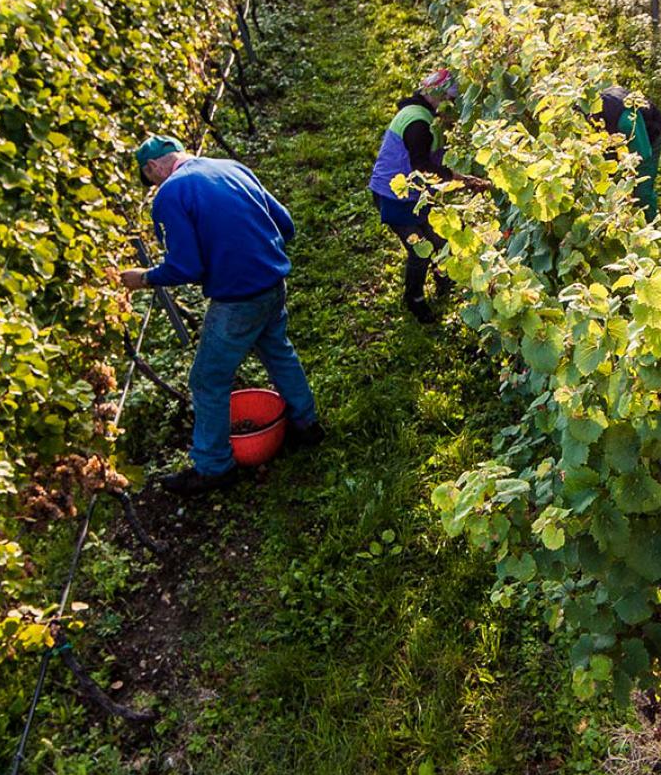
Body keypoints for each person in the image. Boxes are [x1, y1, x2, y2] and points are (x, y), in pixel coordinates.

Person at [118, 134, 322, 495]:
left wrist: (145, 278)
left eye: (148, 178)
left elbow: (186, 266)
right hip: (272, 283)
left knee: (208, 379)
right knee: (277, 349)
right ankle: (307, 424)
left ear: (152, 168)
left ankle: (214, 466)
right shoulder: (231, 167)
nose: (152, 185)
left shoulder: (170, 194)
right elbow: (285, 224)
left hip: (237, 300)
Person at [369, 68, 489, 323]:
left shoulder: (425, 114)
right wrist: (461, 179)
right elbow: (422, 167)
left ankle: (442, 280)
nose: (453, 106)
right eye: (451, 100)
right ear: (437, 97)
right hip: (393, 197)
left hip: (415, 195)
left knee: (438, 239)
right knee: (418, 249)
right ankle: (414, 300)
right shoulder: (418, 124)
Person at [594, 84, 661, 217]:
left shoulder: (626, 120)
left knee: (641, 190)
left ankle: (649, 225)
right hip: (617, 136)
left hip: (648, 136)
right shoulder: (587, 114)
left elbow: (642, 154)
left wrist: (627, 181)